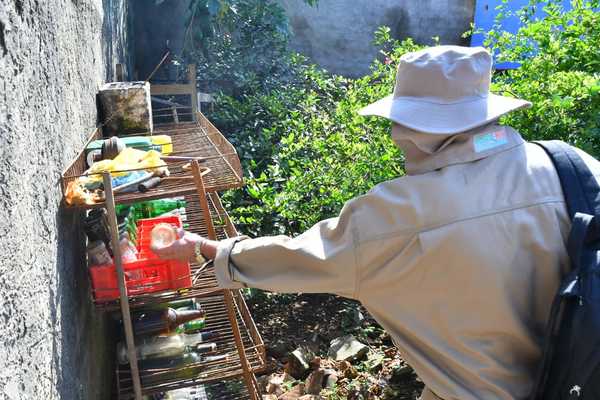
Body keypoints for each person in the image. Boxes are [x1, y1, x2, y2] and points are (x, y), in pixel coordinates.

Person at [153, 46, 599, 400]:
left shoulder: (401, 214)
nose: (395, 137)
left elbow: (303, 257)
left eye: (400, 124)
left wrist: (210, 248)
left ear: (417, 129)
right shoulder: (574, 167)